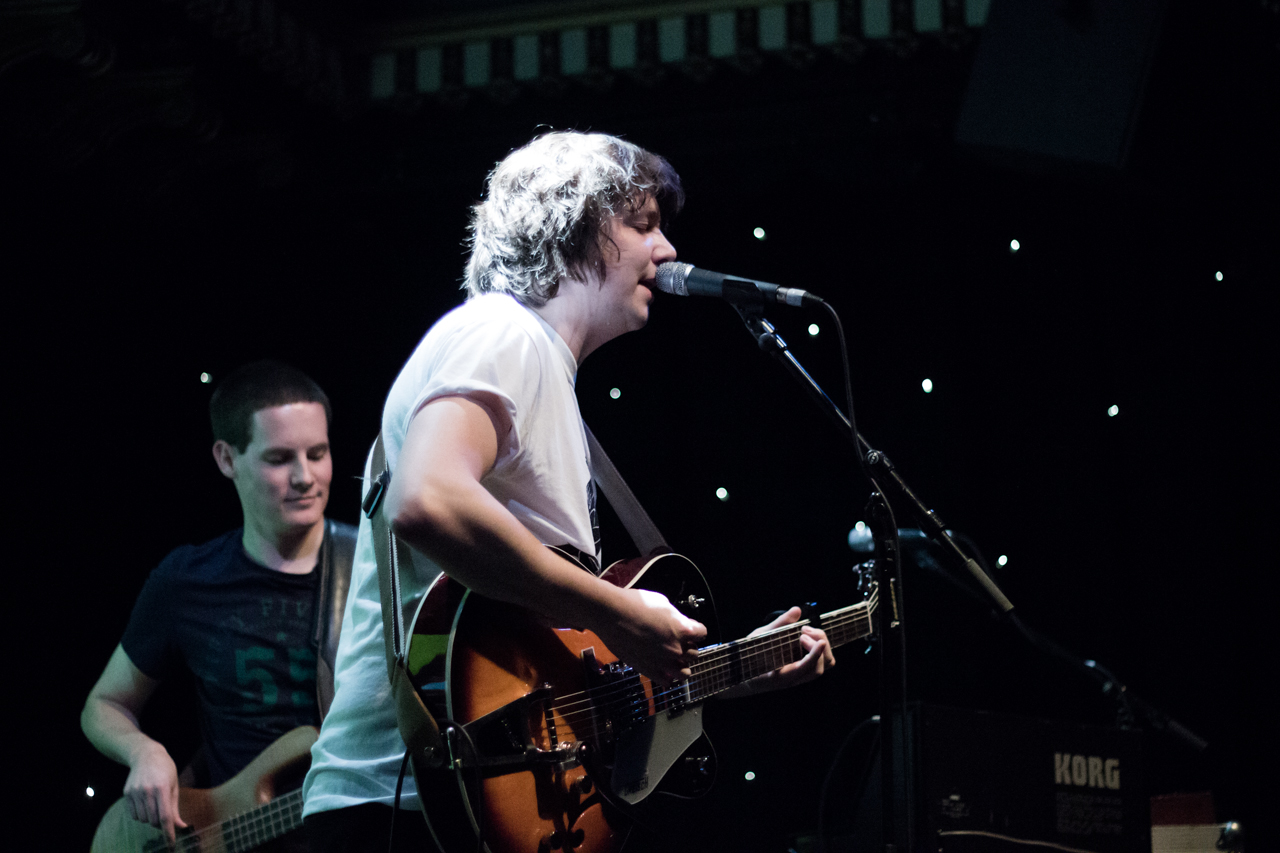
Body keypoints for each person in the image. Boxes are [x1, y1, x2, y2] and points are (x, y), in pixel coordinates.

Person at [301, 132, 835, 851]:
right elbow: (427, 499)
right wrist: (617, 610)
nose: (667, 250)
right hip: (404, 807)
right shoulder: (503, 335)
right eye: (642, 224)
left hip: (463, 796)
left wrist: (733, 669)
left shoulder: (540, 371)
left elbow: (570, 672)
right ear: (572, 230)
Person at [82, 360, 357, 849]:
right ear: (227, 459)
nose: (305, 476)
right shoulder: (187, 581)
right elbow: (104, 704)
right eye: (278, 458)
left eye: (318, 453)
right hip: (228, 832)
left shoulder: (372, 568)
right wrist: (145, 752)